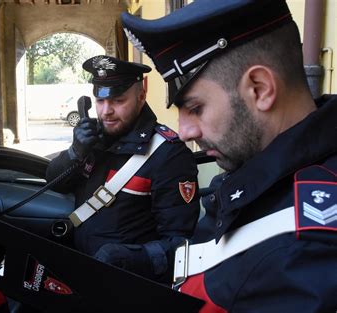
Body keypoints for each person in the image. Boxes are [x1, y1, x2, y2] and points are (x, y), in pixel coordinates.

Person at [122, 0, 337, 311]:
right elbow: (228, 255)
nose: (184, 132)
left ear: (260, 89)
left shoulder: (307, 252)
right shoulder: (264, 165)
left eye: (196, 109)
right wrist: (150, 260)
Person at [46, 55, 200, 283]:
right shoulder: (93, 140)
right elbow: (53, 184)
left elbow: (181, 245)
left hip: (127, 283)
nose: (106, 111)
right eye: (99, 101)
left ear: (141, 95)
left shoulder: (168, 155)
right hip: (84, 270)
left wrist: (130, 259)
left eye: (118, 100)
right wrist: (74, 152)